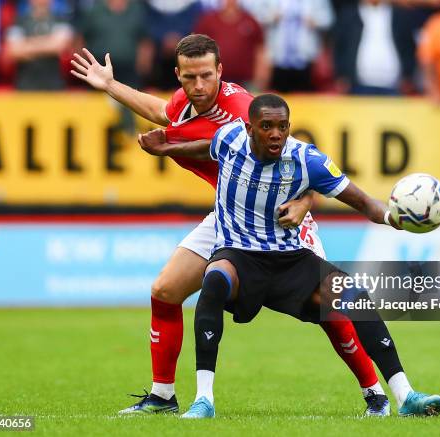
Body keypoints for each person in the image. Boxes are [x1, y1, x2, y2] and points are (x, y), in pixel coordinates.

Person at [70, 34, 392, 417]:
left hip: (279, 218)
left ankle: (376, 394)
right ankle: (162, 396)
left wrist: (305, 201)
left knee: (328, 307)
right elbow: (162, 112)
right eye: (189, 78)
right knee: (166, 289)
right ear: (179, 75)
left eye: (206, 75)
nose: (199, 85)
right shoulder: (188, 101)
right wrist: (110, 86)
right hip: (230, 217)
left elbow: (307, 165)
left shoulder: (241, 110)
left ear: (220, 71)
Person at [166, 94, 440, 419]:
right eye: (266, 126)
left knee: (355, 297)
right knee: (214, 279)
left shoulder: (307, 159)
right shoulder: (229, 138)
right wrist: (167, 148)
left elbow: (364, 202)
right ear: (248, 128)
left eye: (282, 127)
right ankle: (204, 400)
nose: (275, 134)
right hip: (239, 255)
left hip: (291, 260)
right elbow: (205, 146)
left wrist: (391, 218)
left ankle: (405, 395)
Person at [6, 0, 73, 90]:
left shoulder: (61, 19)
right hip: (25, 86)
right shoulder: (18, 21)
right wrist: (48, 43)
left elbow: (60, 46)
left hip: (54, 86)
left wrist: (27, 44)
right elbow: (14, 51)